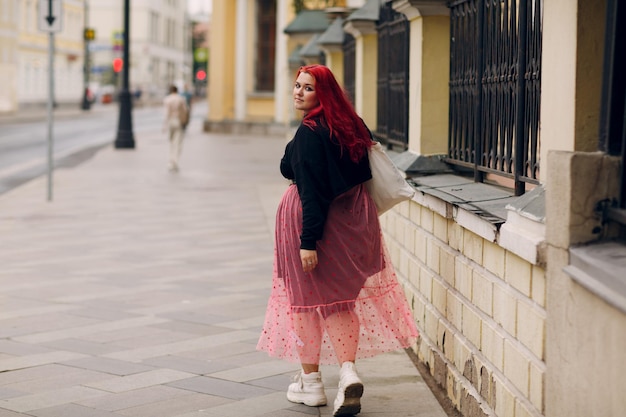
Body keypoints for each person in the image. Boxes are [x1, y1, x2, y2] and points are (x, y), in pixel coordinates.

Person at [256, 64, 419, 417]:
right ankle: (348, 373)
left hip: (314, 224)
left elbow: (311, 193)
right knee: (340, 303)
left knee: (304, 302)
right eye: (297, 86)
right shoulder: (352, 126)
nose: (298, 92)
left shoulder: (309, 134)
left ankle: (311, 383)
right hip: (355, 224)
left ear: (323, 94)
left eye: (308, 88)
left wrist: (308, 241)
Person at [162, 85, 188, 172]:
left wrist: (164, 125)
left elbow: (166, 113)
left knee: (171, 142)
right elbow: (185, 110)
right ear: (177, 91)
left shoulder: (167, 99)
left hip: (170, 122)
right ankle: (175, 161)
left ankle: (171, 161)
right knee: (177, 142)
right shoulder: (181, 99)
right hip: (178, 121)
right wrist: (185, 121)